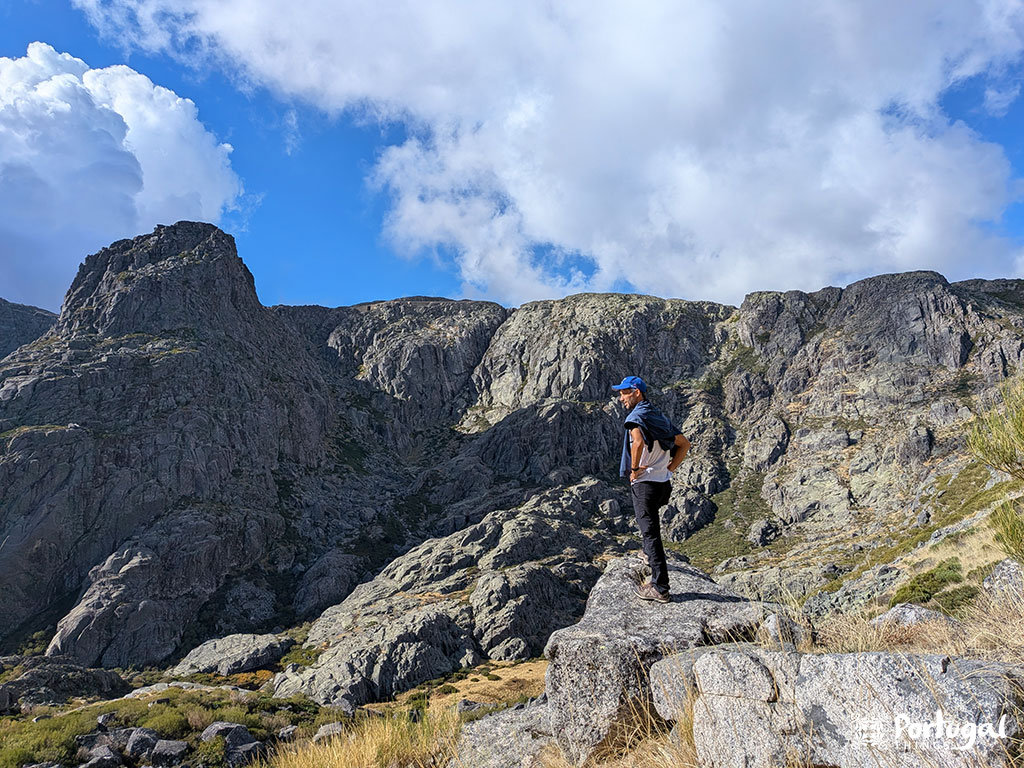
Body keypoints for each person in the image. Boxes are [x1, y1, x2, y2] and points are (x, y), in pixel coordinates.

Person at [612, 375, 690, 603]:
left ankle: (660, 587)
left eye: (624, 393)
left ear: (636, 392)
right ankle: (648, 553)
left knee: (650, 533)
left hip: (645, 484)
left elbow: (636, 442)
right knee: (651, 530)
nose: (621, 398)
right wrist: (670, 468)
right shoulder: (657, 416)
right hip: (662, 485)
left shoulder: (636, 417)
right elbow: (684, 444)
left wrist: (634, 469)